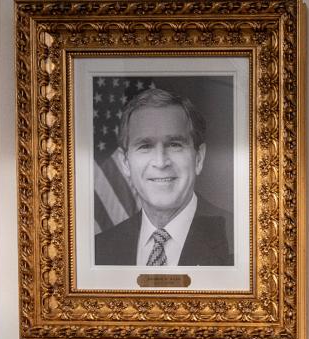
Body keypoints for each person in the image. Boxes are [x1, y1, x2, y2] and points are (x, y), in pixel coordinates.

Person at [95, 88, 232, 266]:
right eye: (145, 146)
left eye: (175, 144)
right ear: (125, 163)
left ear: (198, 158)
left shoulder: (241, 237)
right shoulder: (99, 250)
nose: (160, 162)